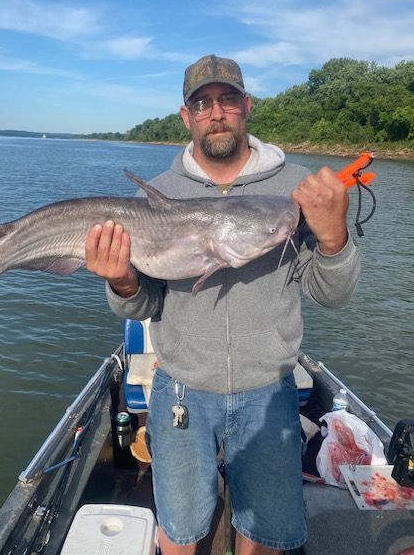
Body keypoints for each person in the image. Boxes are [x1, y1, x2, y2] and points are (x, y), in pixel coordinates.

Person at [85, 55, 360, 555]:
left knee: (266, 533)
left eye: (228, 100)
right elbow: (145, 303)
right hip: (182, 390)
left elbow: (333, 295)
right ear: (186, 115)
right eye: (203, 103)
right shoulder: (159, 197)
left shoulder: (293, 191)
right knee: (181, 530)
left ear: (246, 107)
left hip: (269, 392)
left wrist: (333, 234)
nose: (216, 112)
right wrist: (122, 282)